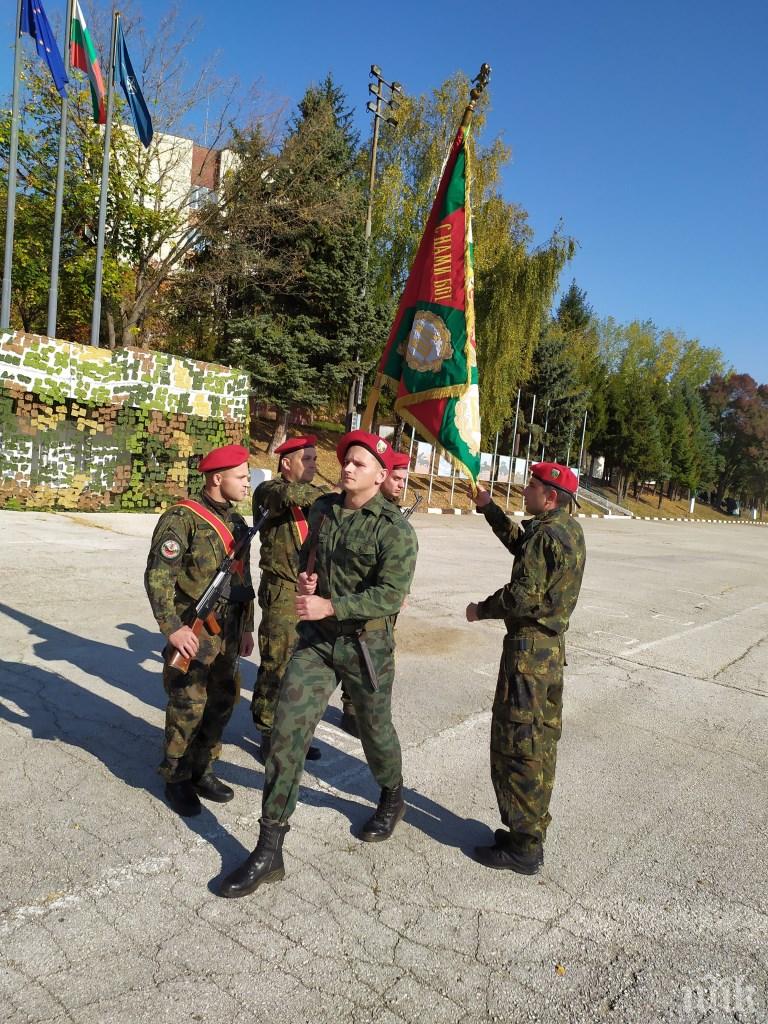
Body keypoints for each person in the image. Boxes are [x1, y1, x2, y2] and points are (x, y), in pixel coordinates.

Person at [218, 430, 419, 898]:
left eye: (360, 464)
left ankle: (392, 795)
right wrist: (310, 577)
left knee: (375, 730)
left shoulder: (395, 530)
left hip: (365, 646)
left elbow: (391, 595)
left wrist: (332, 605)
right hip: (316, 645)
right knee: (287, 729)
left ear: (381, 476)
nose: (347, 468)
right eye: (346, 461)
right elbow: (314, 553)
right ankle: (270, 848)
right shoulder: (325, 508)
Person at [465, 462, 586, 874]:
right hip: (548, 653)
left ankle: (525, 846)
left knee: (521, 744)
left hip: (528, 655)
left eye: (532, 486)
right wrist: (489, 508)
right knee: (539, 739)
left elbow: (520, 595)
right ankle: (525, 830)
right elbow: (524, 545)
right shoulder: (565, 530)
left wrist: (480, 609)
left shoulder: (547, 535)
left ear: (550, 496)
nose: (526, 490)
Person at [145, 444, 255, 818]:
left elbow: (244, 581)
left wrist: (247, 627)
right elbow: (159, 577)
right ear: (216, 478)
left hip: (227, 632)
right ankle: (175, 776)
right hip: (193, 633)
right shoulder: (182, 519)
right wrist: (172, 629)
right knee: (188, 704)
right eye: (241, 477)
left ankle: (203, 768)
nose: (247, 483)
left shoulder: (239, 524)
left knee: (223, 701)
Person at [250, 435, 324, 763]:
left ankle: (293, 732)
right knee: (276, 664)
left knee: (304, 668)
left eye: (313, 459)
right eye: (306, 459)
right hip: (282, 591)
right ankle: (267, 732)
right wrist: (333, 497)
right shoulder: (270, 491)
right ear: (286, 463)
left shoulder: (317, 503)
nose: (313, 464)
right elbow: (290, 494)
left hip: (311, 591)